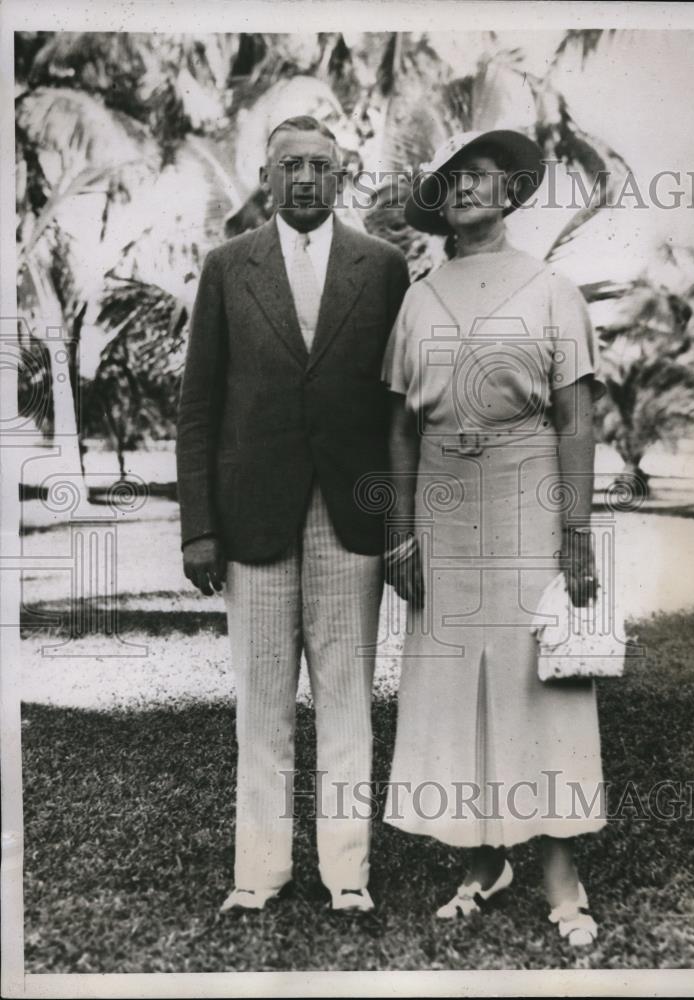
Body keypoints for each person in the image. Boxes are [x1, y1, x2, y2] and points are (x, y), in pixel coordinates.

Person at [176, 115, 409, 914]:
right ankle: (260, 874)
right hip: (253, 521)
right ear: (267, 178)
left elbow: (397, 410)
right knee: (262, 706)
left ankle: (348, 877)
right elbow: (198, 407)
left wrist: (396, 520)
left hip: (352, 516)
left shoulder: (383, 268)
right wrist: (200, 526)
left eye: (321, 165)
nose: (306, 178)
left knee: (348, 699)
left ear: (341, 176)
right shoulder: (226, 267)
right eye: (290, 166)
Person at [382, 129, 607, 946]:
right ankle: (480, 860)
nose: (469, 189)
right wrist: (400, 532)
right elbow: (401, 427)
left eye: (484, 178)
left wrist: (576, 530)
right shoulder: (419, 296)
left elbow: (577, 416)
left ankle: (558, 869)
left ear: (511, 195)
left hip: (526, 489)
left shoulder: (551, 289)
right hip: (442, 498)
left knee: (535, 677)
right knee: (451, 678)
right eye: (455, 180)